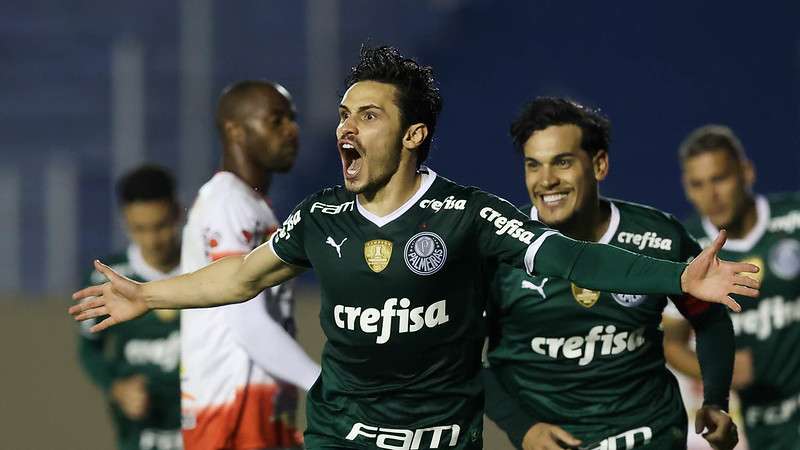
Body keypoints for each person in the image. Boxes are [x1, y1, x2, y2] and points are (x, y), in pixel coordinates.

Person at [71, 46, 759, 450]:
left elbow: (571, 258)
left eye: (367, 114)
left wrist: (679, 277)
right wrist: (146, 295)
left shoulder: (468, 215)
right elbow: (239, 279)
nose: (346, 125)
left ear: (411, 136)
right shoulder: (322, 217)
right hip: (343, 434)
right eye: (344, 113)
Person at [481, 98, 738, 450]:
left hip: (653, 434)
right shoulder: (499, 249)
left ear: (599, 164)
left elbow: (710, 318)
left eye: (563, 162)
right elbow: (456, 358)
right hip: (555, 443)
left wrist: (716, 401)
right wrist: (522, 428)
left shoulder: (659, 236)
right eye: (533, 166)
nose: (546, 181)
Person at [178, 80, 320, 450]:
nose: (292, 130)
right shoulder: (227, 203)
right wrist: (323, 383)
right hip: (232, 411)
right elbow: (246, 320)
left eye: (293, 119)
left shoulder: (253, 205)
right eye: (276, 121)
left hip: (261, 408)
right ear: (235, 130)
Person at [663, 125, 800, 450]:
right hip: (752, 427)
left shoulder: (794, 220)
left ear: (747, 172)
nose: (712, 194)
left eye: (720, 178)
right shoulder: (685, 251)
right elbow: (671, 343)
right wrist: (717, 369)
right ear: (687, 188)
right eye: (699, 184)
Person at [78, 164, 183, 450]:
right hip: (141, 433)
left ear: (178, 213)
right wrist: (117, 388)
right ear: (125, 222)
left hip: (206, 423)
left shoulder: (206, 270)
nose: (152, 240)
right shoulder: (109, 277)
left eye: (160, 225)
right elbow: (89, 348)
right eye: (140, 229)